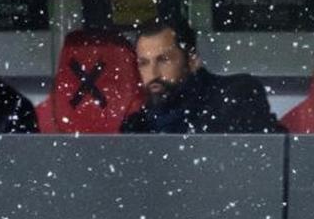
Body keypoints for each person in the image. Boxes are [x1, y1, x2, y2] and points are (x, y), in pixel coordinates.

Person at [120, 18, 285, 134]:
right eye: (144, 63)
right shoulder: (137, 126)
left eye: (163, 60)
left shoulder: (235, 96)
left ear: (192, 60)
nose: (153, 73)